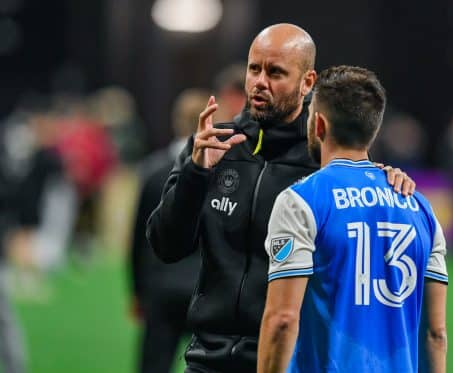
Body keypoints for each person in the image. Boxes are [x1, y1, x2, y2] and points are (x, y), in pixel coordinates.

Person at [147, 24, 416, 372]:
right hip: (207, 360)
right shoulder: (215, 145)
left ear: (307, 83)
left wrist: (385, 183)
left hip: (288, 360)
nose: (260, 82)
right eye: (254, 68)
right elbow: (165, 246)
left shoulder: (324, 162)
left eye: (275, 72)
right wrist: (195, 175)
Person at [257, 65, 448, 373]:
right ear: (372, 129)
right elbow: (435, 334)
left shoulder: (301, 201)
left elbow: (282, 320)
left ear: (318, 124)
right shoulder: (421, 209)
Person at [130, 90, 208, 373]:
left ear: (176, 121)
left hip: (161, 288)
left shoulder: (153, 173)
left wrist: (137, 291)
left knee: (154, 365)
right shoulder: (225, 173)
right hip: (205, 291)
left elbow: (139, 239)